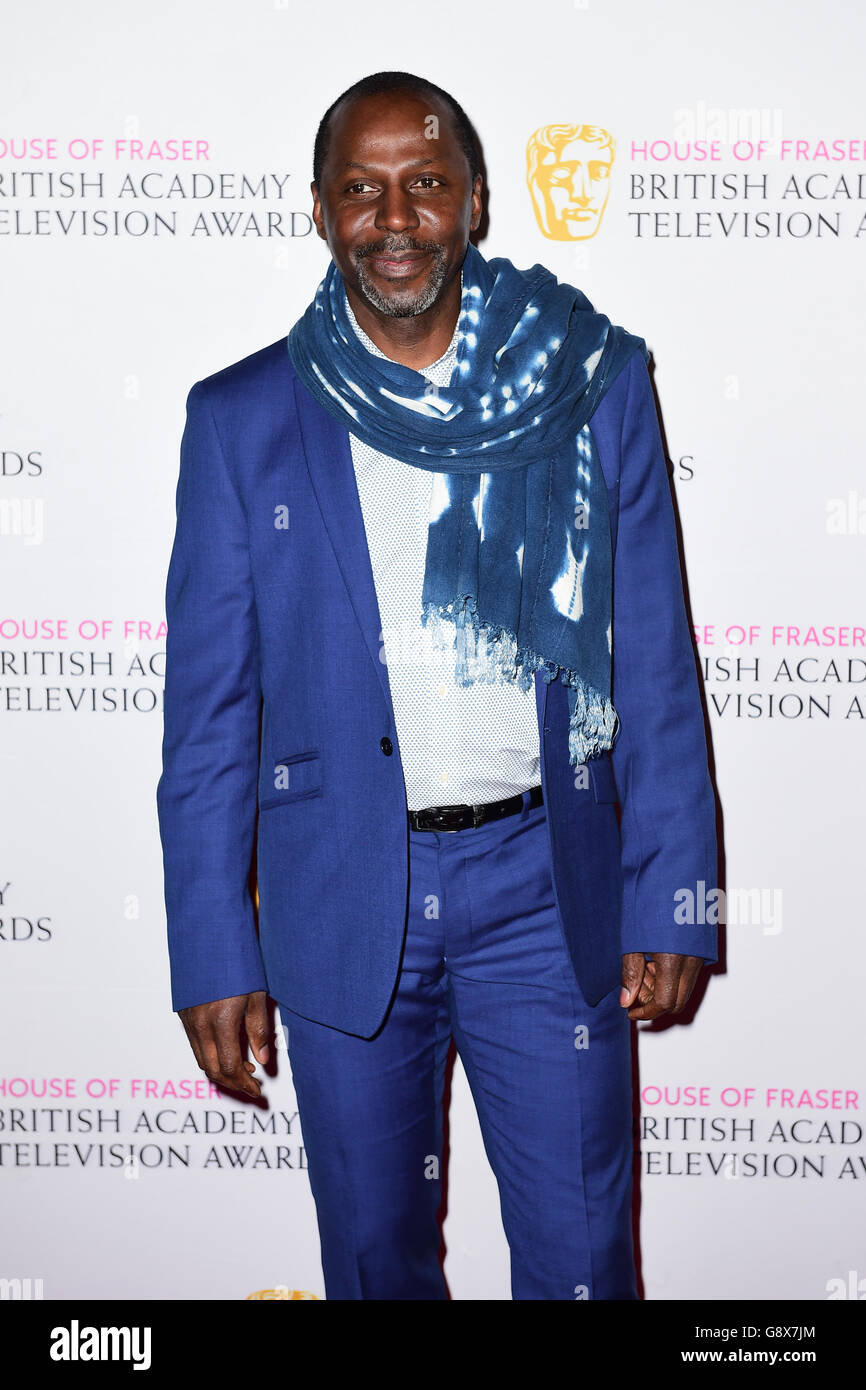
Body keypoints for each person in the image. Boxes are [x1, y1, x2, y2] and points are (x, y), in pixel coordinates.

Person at [156, 70, 718, 1301]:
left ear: (473, 203)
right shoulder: (240, 420)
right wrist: (210, 943)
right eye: (361, 189)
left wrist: (672, 893)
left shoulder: (586, 385)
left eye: (424, 183)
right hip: (343, 893)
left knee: (580, 1262)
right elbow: (206, 719)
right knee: (374, 1262)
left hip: (541, 892)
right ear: (318, 210)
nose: (393, 216)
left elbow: (655, 663)